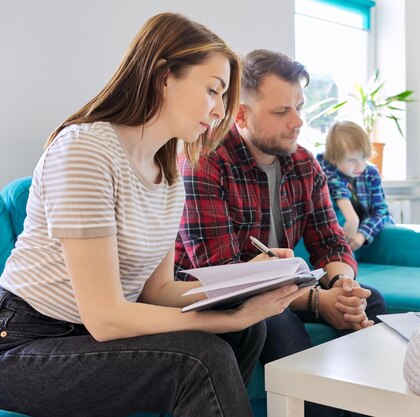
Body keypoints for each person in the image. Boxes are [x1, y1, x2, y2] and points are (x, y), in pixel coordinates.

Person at [0, 14, 307, 417]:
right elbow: (106, 318)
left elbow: (157, 291)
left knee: (251, 330)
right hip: (26, 341)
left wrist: (251, 280)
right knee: (203, 358)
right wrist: (225, 320)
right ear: (164, 75)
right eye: (213, 91)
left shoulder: (167, 176)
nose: (218, 111)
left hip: (88, 336)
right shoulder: (85, 150)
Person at [175, 49, 387, 417]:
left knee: (372, 303)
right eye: (281, 112)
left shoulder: (304, 163)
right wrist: (319, 302)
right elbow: (226, 274)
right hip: (225, 296)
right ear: (240, 113)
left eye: (299, 107)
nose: (297, 122)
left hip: (284, 287)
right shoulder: (204, 162)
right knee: (276, 322)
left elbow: (329, 240)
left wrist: (343, 287)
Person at [316, 121, 395, 251]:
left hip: (367, 235)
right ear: (334, 159)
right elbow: (334, 183)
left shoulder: (371, 173)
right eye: (352, 160)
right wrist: (352, 218)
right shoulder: (323, 169)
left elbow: (381, 213)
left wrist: (362, 234)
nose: (360, 166)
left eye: (363, 158)